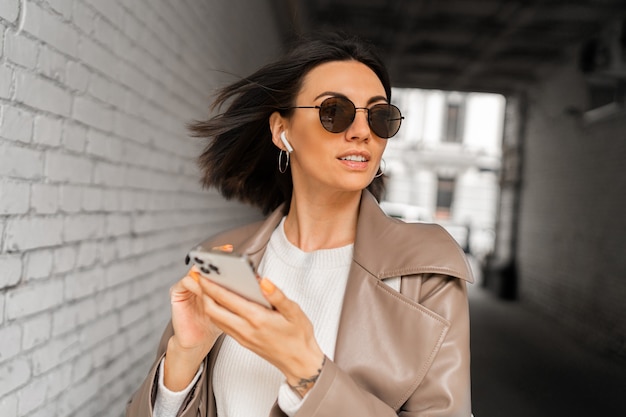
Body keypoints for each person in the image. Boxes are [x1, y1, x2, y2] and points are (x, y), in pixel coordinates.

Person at [125, 32, 473, 417]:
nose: (361, 132)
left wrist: (307, 371)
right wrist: (184, 359)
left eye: (379, 116)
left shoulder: (426, 269)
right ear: (282, 131)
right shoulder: (224, 257)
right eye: (335, 111)